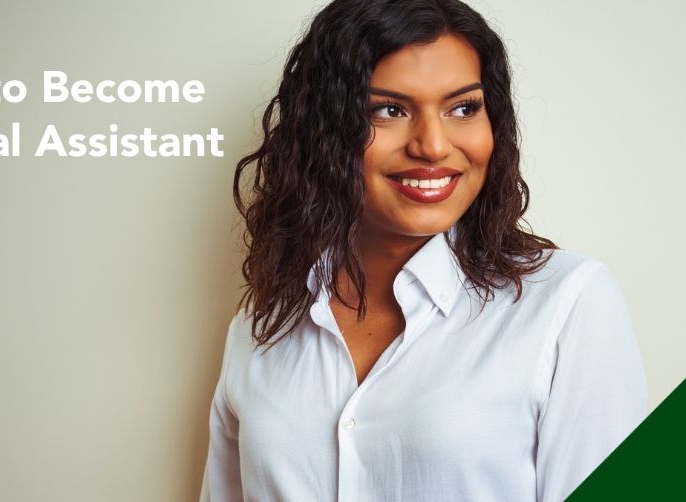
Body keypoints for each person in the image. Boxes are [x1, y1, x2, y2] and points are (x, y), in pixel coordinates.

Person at [200, 0, 647, 500]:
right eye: (389, 110)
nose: (433, 145)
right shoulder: (261, 323)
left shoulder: (568, 303)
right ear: (324, 132)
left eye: (463, 108)